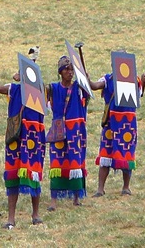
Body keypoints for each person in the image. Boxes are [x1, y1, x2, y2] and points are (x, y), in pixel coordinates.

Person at [0, 65, 44, 228]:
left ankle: (35, 214)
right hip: (16, 138)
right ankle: (11, 218)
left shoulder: (41, 91)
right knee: (13, 175)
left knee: (33, 174)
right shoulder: (12, 89)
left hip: (33, 139)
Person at [91, 65, 145, 196]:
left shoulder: (135, 80)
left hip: (127, 124)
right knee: (106, 154)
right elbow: (94, 86)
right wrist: (87, 79)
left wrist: (144, 82)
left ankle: (126, 187)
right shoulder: (107, 79)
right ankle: (100, 189)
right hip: (110, 123)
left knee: (126, 154)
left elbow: (140, 92)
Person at [47, 56, 90, 210]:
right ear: (60, 72)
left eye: (71, 69)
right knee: (57, 163)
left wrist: (84, 75)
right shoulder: (53, 88)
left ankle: (76, 196)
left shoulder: (79, 89)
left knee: (76, 162)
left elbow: (89, 88)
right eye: (66, 69)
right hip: (59, 128)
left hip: (76, 131)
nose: (69, 72)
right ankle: (54, 199)